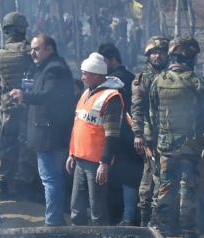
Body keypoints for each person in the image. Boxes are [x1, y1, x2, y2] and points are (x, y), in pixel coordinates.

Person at [147, 36, 204, 238]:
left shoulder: (157, 81)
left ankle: (159, 237)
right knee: (188, 190)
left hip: (165, 146)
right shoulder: (198, 82)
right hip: (190, 147)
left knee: (165, 189)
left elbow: (153, 116)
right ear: (190, 57)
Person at [10, 34, 74, 227]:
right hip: (51, 132)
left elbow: (49, 95)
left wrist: (25, 97)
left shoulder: (54, 68)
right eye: (31, 49)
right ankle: (56, 218)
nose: (32, 52)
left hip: (49, 134)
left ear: (49, 49)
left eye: (37, 48)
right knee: (54, 177)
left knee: (50, 178)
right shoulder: (45, 67)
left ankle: (53, 220)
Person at [67, 52, 125, 226]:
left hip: (96, 163)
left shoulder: (111, 98)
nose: (82, 77)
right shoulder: (87, 93)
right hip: (80, 159)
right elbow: (78, 125)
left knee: (97, 208)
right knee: (76, 207)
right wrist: (71, 153)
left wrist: (105, 162)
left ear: (96, 75)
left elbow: (112, 134)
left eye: (85, 74)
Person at [0, 13, 35, 202]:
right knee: (26, 146)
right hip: (27, 105)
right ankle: (23, 189)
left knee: (7, 146)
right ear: (22, 29)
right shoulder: (29, 52)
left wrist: (4, 98)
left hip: (7, 107)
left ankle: (2, 188)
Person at [98, 42, 141, 226]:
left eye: (103, 61)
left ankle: (124, 217)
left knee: (122, 178)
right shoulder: (131, 77)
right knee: (128, 178)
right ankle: (128, 216)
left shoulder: (113, 82)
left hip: (119, 136)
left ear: (113, 61)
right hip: (130, 135)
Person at [131, 36, 170, 226]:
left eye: (161, 52)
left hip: (170, 136)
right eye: (154, 53)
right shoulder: (143, 79)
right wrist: (138, 134)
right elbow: (137, 107)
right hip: (150, 137)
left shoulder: (171, 77)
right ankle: (148, 220)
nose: (157, 56)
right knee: (153, 178)